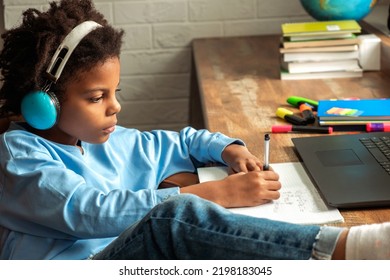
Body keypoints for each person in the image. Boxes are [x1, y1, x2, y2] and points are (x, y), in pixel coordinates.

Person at [0, 0, 388, 260]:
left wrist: (229, 150)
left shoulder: (101, 139)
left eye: (116, 92)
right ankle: (350, 251)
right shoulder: (19, 156)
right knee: (175, 216)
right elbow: (89, 213)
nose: (115, 106)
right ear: (43, 103)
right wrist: (215, 193)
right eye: (97, 97)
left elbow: (181, 140)